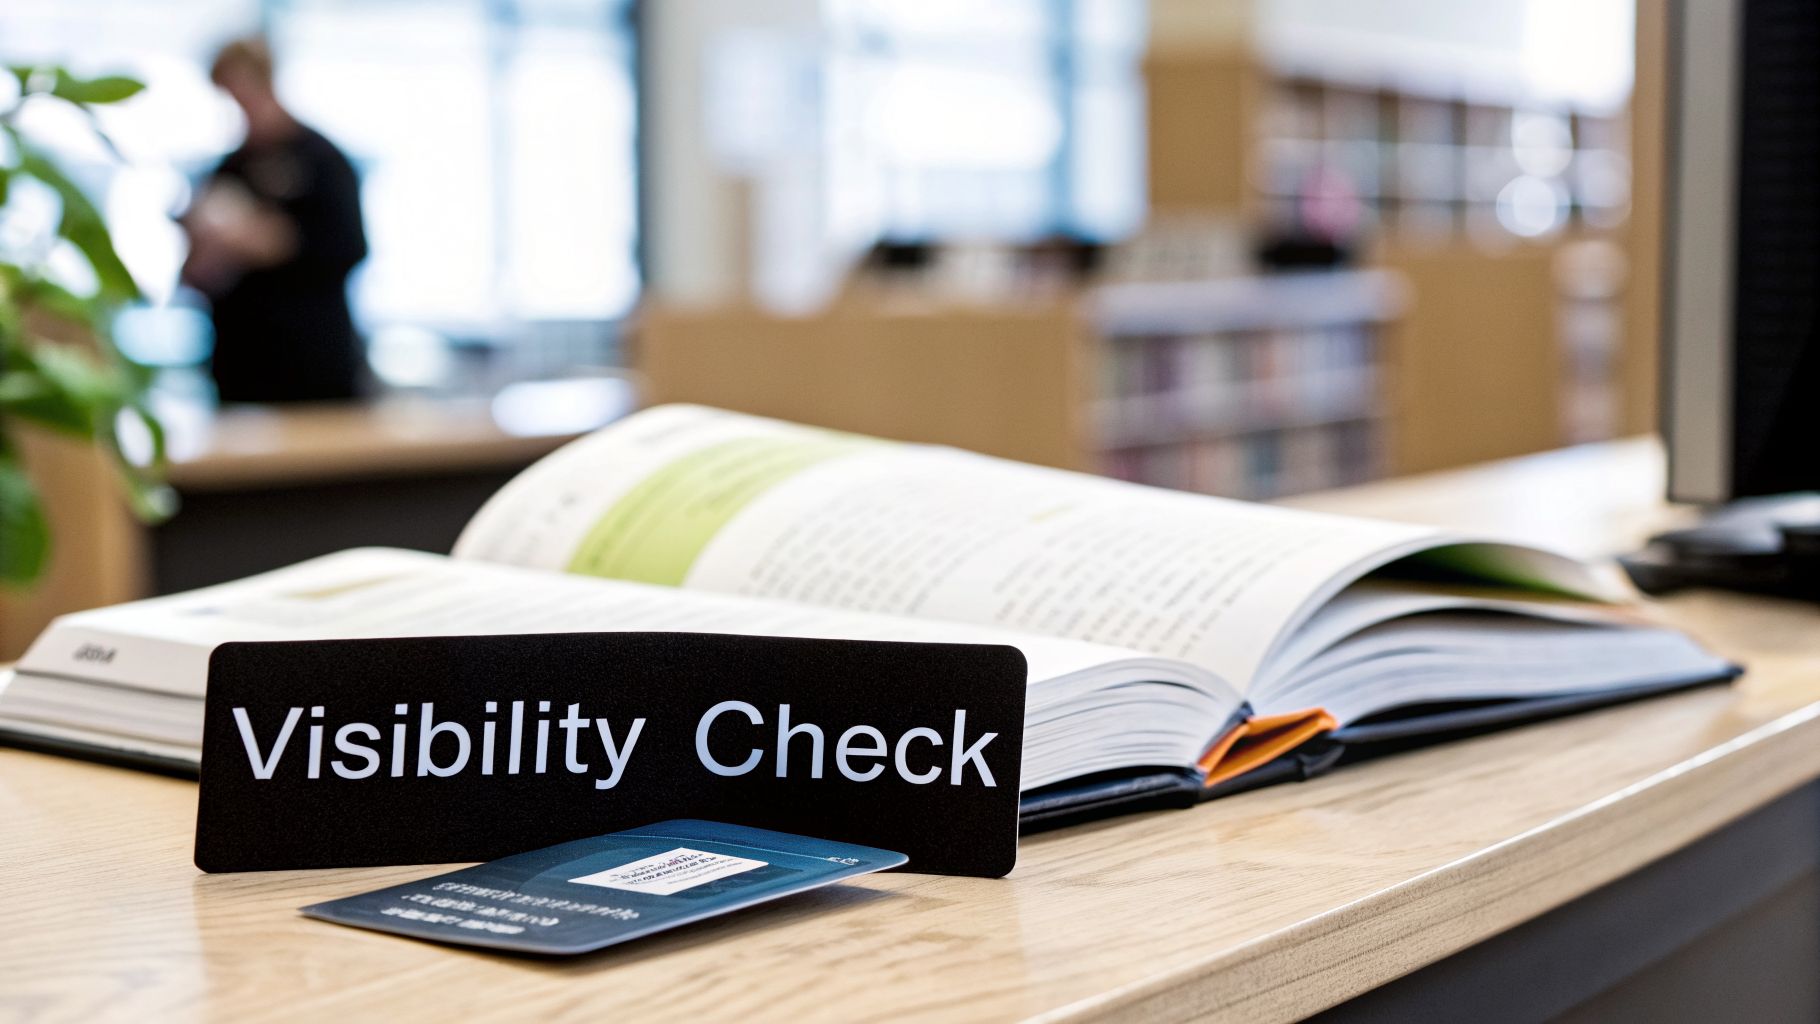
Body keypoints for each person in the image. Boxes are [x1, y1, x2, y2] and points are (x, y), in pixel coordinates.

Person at [181, 38, 368, 404]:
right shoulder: (228, 169)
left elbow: (350, 248)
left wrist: (271, 240)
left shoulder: (322, 161)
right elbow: (194, 275)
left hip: (313, 369)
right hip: (241, 370)